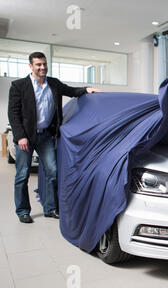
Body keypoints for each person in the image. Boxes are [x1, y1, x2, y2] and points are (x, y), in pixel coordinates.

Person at [8, 52, 101, 224]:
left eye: (44, 64)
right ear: (30, 66)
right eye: (38, 64)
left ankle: (50, 208)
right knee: (22, 175)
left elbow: (71, 91)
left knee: (52, 172)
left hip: (46, 137)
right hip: (26, 138)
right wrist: (20, 136)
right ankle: (22, 211)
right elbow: (13, 114)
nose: (42, 67)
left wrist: (86, 90)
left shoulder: (53, 83)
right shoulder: (19, 86)